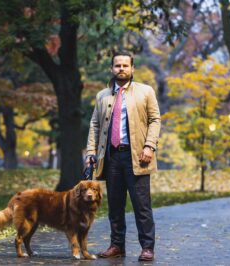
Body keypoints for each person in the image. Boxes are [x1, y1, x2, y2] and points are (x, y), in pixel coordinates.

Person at [85, 51, 161, 261]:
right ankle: (117, 245)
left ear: (132, 69)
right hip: (111, 157)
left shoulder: (145, 92)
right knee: (115, 205)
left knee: (141, 205)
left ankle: (147, 247)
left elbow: (155, 120)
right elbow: (95, 124)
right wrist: (91, 152)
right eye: (117, 65)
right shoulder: (102, 95)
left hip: (138, 156)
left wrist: (149, 146)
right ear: (112, 69)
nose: (121, 69)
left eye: (125, 65)